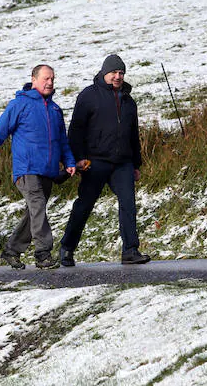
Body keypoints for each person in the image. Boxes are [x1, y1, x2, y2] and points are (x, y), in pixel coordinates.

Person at [0, 64, 77, 270]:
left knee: (34, 213)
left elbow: (62, 141)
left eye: (52, 79)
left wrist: (70, 162)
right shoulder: (19, 104)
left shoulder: (55, 110)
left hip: (47, 171)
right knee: (38, 207)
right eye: (46, 78)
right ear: (34, 79)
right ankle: (43, 254)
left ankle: (11, 251)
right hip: (26, 170)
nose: (50, 82)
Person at [59, 54, 151, 266]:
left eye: (121, 73)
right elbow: (76, 130)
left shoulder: (129, 102)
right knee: (85, 204)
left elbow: (133, 135)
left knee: (128, 203)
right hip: (95, 162)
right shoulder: (89, 96)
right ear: (104, 73)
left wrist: (136, 164)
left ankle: (130, 250)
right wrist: (78, 159)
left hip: (122, 163)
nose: (118, 77)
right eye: (114, 73)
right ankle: (67, 248)